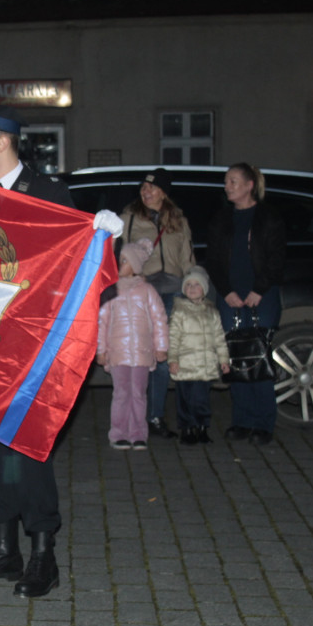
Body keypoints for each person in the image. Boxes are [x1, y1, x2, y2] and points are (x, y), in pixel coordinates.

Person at [0, 103, 124, 598]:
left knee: (28, 448)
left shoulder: (49, 194)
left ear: (2, 140)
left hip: (33, 349)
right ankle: (4, 547)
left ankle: (43, 555)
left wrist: (102, 237)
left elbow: (70, 268)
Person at [205, 163, 286, 446]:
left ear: (250, 185)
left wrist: (258, 290)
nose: (227, 186)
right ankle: (242, 420)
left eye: (233, 181)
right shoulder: (222, 219)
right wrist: (226, 291)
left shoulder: (268, 218)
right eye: (226, 182)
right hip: (231, 297)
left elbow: (277, 258)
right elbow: (213, 260)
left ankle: (264, 423)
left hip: (261, 296)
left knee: (258, 354)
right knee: (236, 359)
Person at [118, 168, 195, 440]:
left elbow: (187, 259)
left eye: (151, 188)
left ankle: (155, 417)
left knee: (162, 358)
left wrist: (194, 287)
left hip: (172, 293)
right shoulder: (128, 218)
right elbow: (119, 257)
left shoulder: (178, 220)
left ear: (164, 192)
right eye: (143, 187)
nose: (146, 191)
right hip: (142, 292)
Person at [97, 238, 169, 451]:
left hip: (142, 353)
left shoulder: (147, 291)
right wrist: (100, 350)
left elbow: (159, 318)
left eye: (125, 261)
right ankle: (118, 433)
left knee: (138, 393)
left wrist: (161, 347)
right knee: (120, 393)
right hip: (118, 353)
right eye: (118, 260)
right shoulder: (111, 291)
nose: (120, 264)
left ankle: (138, 434)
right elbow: (102, 322)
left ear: (136, 266)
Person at [167, 266, 230, 444]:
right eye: (188, 285)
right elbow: (173, 338)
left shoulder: (212, 312)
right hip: (185, 366)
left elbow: (219, 338)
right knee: (185, 400)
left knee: (202, 400)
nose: (192, 288)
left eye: (197, 285)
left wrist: (224, 360)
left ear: (204, 289)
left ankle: (202, 428)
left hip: (204, 366)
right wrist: (173, 359)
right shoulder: (179, 312)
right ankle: (187, 429)